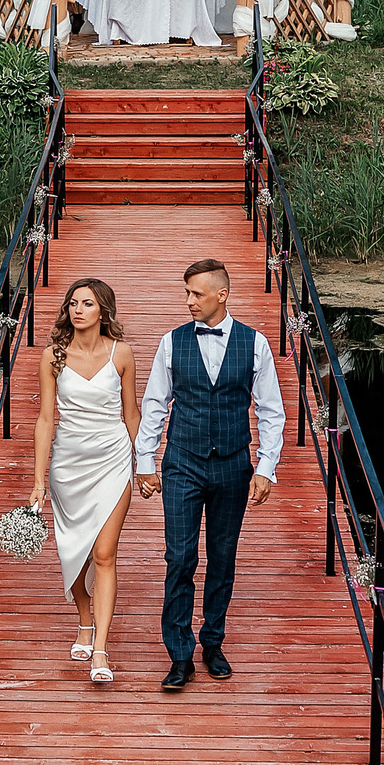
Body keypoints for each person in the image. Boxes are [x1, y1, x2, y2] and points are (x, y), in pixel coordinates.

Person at [133, 257, 284, 691]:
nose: (189, 302)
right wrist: (146, 461)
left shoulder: (254, 344)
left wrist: (266, 468)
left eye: (196, 294)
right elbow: (155, 405)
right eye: (186, 293)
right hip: (182, 462)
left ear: (222, 294)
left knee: (222, 558)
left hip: (234, 465)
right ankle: (179, 655)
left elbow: (272, 411)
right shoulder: (171, 342)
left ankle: (212, 642)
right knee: (179, 558)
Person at [29, 277, 139, 685]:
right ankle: (84, 618)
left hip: (112, 460)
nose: (78, 310)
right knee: (73, 549)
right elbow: (45, 420)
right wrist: (39, 479)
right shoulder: (53, 357)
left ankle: (101, 649)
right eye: (73, 303)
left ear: (102, 310)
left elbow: (132, 416)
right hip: (68, 465)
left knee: (105, 553)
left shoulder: (122, 354)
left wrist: (145, 463)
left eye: (87, 304)